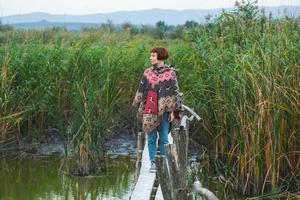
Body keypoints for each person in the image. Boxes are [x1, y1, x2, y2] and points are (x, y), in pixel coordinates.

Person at [132, 47, 183, 173]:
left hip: (165, 110)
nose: (151, 58)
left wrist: (173, 111)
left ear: (160, 57)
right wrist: (138, 102)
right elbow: (141, 88)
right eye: (151, 55)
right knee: (151, 137)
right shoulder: (147, 72)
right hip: (149, 109)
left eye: (153, 55)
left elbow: (174, 92)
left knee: (164, 137)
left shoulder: (170, 73)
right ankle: (153, 163)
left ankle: (163, 161)